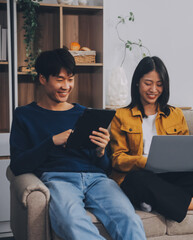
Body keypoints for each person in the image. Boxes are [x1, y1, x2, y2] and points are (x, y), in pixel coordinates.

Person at [9, 49, 146, 240]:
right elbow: (17, 165)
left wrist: (100, 152)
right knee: (70, 222)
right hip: (59, 179)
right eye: (60, 79)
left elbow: (105, 169)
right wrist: (51, 142)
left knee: (130, 219)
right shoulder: (24, 115)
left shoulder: (84, 113)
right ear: (42, 79)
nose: (66, 86)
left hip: (97, 180)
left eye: (70, 79)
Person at [109, 56, 193, 223]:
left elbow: (185, 150)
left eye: (159, 84)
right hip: (140, 175)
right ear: (137, 83)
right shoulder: (121, 116)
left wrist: (188, 161)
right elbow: (117, 159)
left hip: (170, 175)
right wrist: (144, 162)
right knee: (136, 181)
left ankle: (154, 199)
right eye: (148, 83)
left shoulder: (175, 114)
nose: (153, 89)